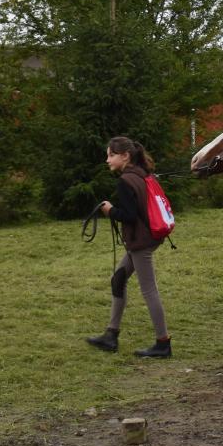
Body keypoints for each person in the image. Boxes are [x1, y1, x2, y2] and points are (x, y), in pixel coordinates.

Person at [85, 136, 173, 358]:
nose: (107, 160)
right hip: (146, 239)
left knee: (149, 290)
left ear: (125, 156)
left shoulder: (126, 180)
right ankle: (111, 335)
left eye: (111, 155)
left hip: (140, 242)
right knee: (118, 279)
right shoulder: (141, 174)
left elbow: (130, 216)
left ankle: (163, 344)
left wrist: (109, 210)